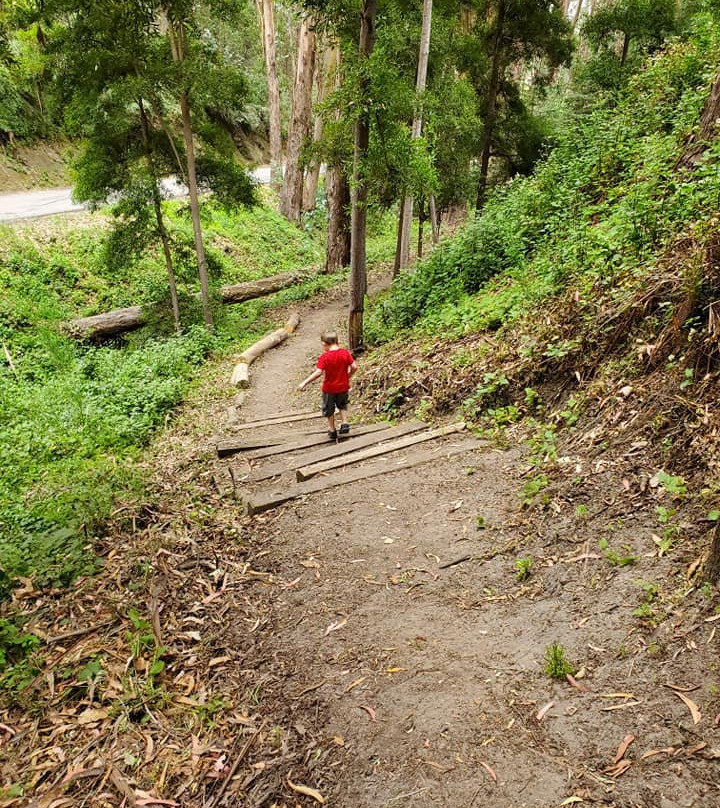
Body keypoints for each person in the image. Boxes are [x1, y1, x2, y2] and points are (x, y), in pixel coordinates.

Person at [297, 330, 357, 440]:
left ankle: (332, 430)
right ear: (337, 341)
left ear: (324, 344)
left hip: (329, 388)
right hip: (343, 386)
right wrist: (348, 376)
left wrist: (304, 382)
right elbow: (354, 367)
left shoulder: (325, 357)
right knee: (342, 404)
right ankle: (344, 423)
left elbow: (318, 372)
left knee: (329, 408)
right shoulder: (345, 353)